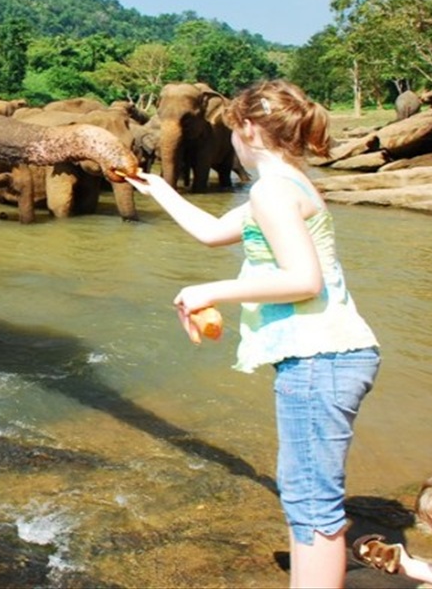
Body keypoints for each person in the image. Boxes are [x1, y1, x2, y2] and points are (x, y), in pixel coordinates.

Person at [126, 79, 380, 589]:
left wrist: (208, 291)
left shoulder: (271, 192)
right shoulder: (289, 184)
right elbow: (212, 233)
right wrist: (160, 189)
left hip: (321, 357)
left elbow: (303, 280)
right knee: (306, 493)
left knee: (311, 503)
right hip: (329, 356)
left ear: (245, 130)